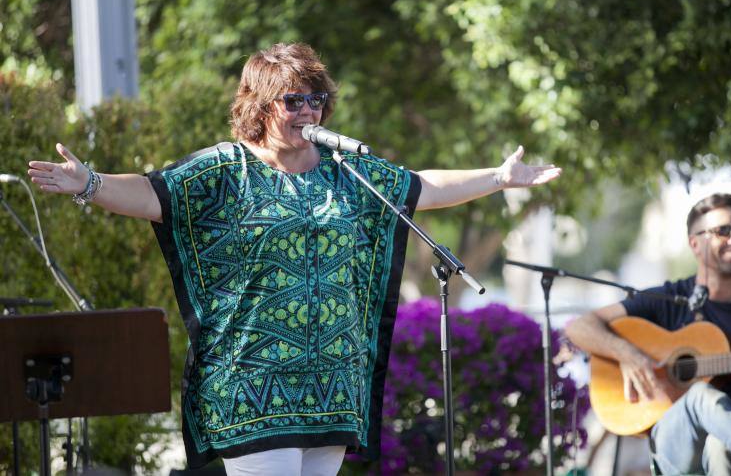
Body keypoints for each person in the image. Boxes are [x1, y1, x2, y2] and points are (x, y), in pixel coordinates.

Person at [27, 43, 561, 475]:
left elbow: (420, 187)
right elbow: (151, 194)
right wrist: (90, 183)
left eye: (316, 99)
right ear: (260, 107)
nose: (309, 111)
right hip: (252, 387)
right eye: (294, 100)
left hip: (331, 387)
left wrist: (497, 178)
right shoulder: (225, 170)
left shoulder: (346, 171)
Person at [565, 193, 731, 475]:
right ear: (695, 243)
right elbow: (579, 327)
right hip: (673, 441)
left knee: (719, 446)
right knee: (699, 393)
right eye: (723, 231)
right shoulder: (668, 299)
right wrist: (628, 355)